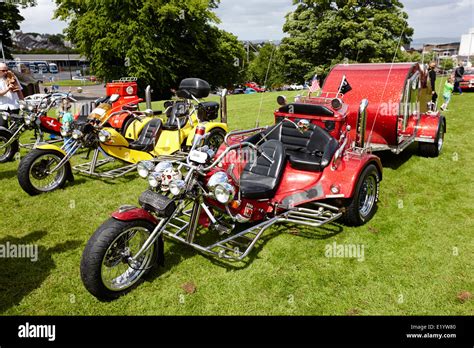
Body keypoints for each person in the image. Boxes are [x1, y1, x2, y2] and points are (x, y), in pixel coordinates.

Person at [0, 62, 24, 128]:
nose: (6, 72)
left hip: (14, 105)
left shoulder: (12, 77)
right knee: (2, 126)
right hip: (2, 107)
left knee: (15, 126)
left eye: (6, 70)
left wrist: (23, 102)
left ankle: (15, 138)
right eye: (3, 71)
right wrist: (8, 88)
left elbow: (19, 90)